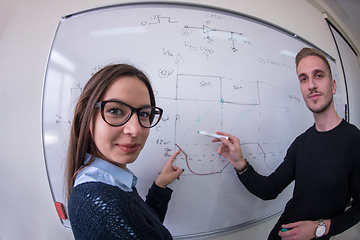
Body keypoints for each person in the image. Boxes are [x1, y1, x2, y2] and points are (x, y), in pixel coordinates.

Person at [213, 47, 360, 240]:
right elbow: (270, 189)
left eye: (319, 75)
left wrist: (319, 228)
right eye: (304, 79)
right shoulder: (301, 144)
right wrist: (240, 163)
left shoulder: (354, 141)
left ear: (332, 86)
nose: (311, 85)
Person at [66, 64, 183, 240]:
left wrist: (160, 187)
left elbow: (143, 227)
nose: (135, 130)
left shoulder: (108, 182)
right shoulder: (101, 204)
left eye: (144, 114)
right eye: (115, 110)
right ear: (86, 116)